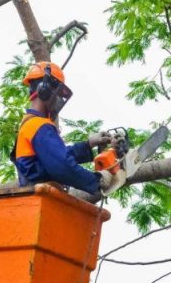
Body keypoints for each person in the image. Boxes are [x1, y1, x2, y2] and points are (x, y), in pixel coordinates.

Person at [10, 61, 120, 195]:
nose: (58, 100)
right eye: (57, 95)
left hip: (38, 195)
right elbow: (62, 166)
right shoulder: (38, 125)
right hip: (41, 198)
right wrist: (97, 180)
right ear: (44, 89)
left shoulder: (30, 124)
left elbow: (56, 158)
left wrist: (88, 144)